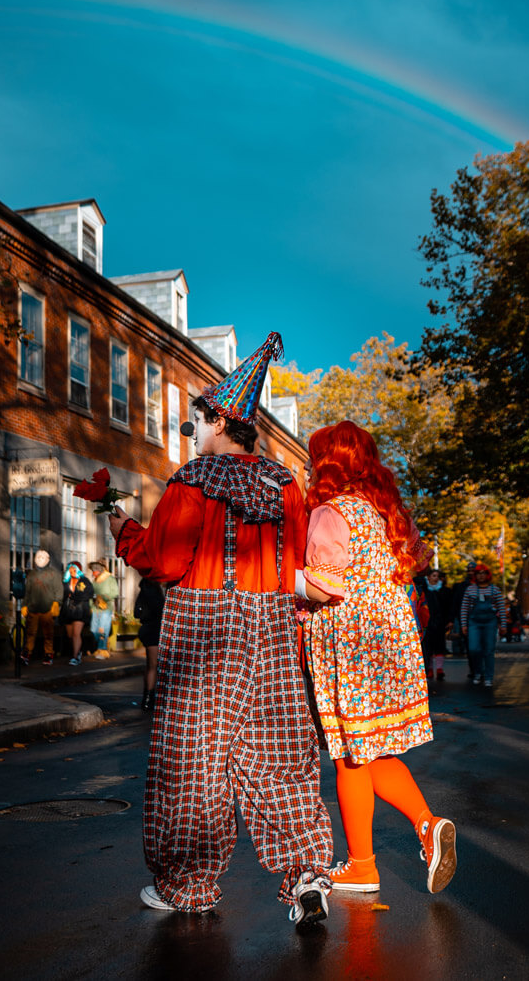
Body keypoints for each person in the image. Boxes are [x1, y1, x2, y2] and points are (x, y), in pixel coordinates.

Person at [108, 331, 333, 927]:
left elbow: (163, 561)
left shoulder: (192, 480)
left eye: (197, 421)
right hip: (275, 627)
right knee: (279, 754)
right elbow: (302, 562)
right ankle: (307, 872)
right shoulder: (288, 486)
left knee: (195, 760)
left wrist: (119, 525)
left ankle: (188, 886)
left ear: (215, 421)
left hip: (203, 625)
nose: (193, 432)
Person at [302, 420, 456, 897]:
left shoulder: (331, 513)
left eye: (313, 457)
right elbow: (418, 562)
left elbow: (323, 586)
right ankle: (428, 826)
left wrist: (285, 582)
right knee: (374, 749)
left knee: (350, 754)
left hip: (348, 645)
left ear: (327, 462)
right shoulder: (388, 513)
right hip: (392, 646)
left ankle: (363, 865)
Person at [460, 562, 505, 687]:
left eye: (483, 573)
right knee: (474, 649)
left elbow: (501, 608)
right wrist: (464, 625)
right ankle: (478, 672)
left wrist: (504, 625)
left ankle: (489, 676)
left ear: (487, 575)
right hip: (474, 622)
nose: (480, 576)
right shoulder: (470, 589)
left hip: (490, 623)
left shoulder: (494, 590)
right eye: (478, 573)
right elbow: (464, 608)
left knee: (489, 650)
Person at [21, 549, 63, 666]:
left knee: (48, 633)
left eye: (43, 557)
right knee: (30, 632)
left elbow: (59, 590)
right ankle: (27, 653)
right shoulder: (32, 574)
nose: (40, 559)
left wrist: (57, 603)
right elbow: (28, 591)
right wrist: (24, 605)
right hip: (33, 608)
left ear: (48, 560)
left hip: (48, 608)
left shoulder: (54, 574)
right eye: (38, 557)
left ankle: (49, 654)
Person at [134, 577, 165, 711]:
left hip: (147, 628)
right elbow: (160, 610)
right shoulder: (153, 592)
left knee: (150, 665)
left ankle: (148, 697)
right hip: (154, 629)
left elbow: (136, 612)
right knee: (153, 665)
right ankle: (148, 699)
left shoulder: (144, 590)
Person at [419, 568, 452, 680]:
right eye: (433, 575)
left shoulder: (444, 591)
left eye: (437, 576)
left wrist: (449, 620)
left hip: (440, 621)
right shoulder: (423, 590)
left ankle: (439, 669)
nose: (435, 578)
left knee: (439, 645)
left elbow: (449, 607)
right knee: (428, 646)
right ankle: (429, 669)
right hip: (427, 621)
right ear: (428, 577)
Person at [60, 562, 93, 666]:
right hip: (67, 610)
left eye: (74, 569)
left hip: (80, 609)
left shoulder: (84, 581)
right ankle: (78, 651)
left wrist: (74, 596)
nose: (72, 571)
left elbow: (89, 594)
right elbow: (62, 594)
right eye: (70, 569)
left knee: (76, 634)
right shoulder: (66, 581)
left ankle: (75, 657)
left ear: (78, 570)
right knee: (70, 635)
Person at [88, 560, 118, 660]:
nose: (93, 572)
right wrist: (91, 606)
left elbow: (115, 593)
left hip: (106, 609)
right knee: (93, 629)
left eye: (95, 570)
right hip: (96, 609)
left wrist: (104, 597)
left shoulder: (110, 579)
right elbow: (91, 594)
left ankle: (102, 649)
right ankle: (100, 647)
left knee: (103, 629)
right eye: (92, 570)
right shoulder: (95, 581)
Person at [449, 561, 476, 662]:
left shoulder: (485, 586)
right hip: (466, 619)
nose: (471, 573)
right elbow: (456, 603)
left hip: (480, 619)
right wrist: (451, 619)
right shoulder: (461, 587)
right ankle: (474, 669)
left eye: (473, 571)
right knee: (470, 646)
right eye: (469, 571)